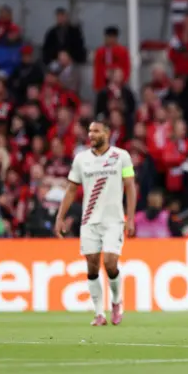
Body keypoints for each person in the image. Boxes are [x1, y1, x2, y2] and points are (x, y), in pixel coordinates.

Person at [54, 117, 137, 326]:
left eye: (96, 131)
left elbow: (130, 187)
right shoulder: (81, 159)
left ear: (107, 133)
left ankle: (117, 302)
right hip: (89, 221)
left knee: (110, 263)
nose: (91, 135)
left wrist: (131, 217)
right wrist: (60, 217)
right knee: (92, 266)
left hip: (113, 220)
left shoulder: (121, 156)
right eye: (90, 131)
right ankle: (99, 313)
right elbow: (71, 189)